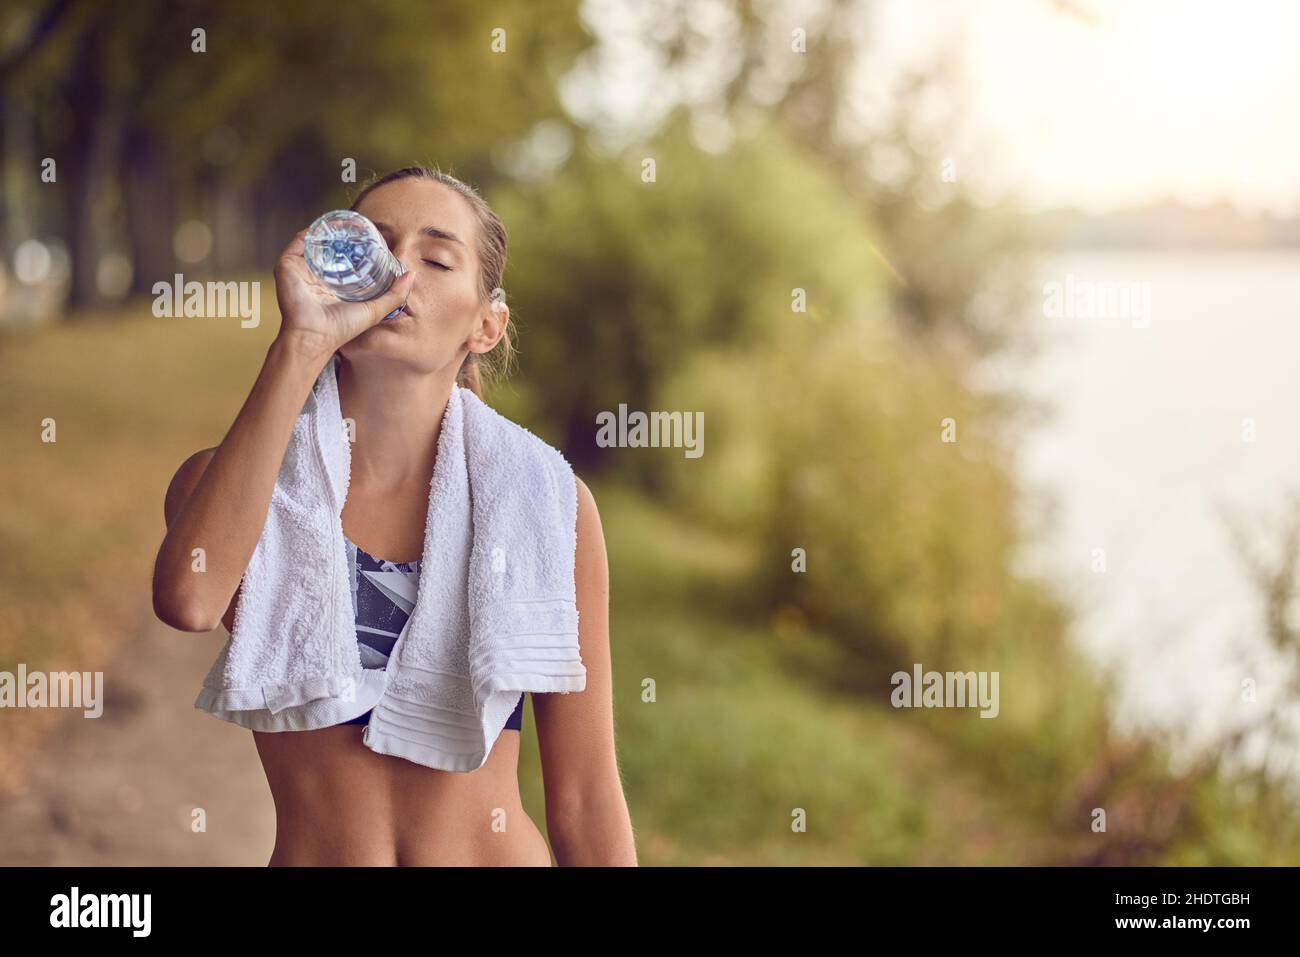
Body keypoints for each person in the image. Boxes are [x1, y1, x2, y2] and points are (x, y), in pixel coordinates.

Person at [152, 166, 636, 866]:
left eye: (437, 258)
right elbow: (188, 600)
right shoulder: (229, 487)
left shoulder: (548, 506)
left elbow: (585, 794)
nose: (399, 268)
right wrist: (300, 342)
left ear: (486, 323)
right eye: (373, 247)